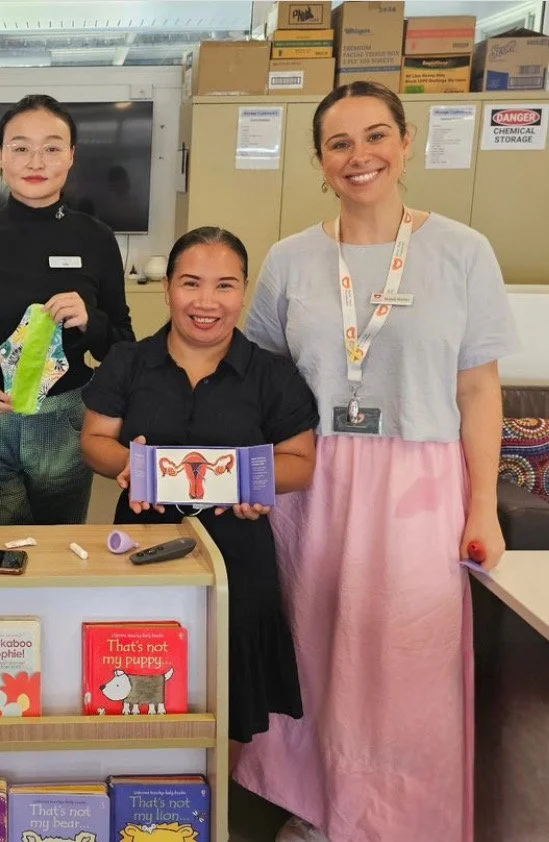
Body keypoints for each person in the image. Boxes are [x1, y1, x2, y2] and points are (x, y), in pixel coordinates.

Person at [232, 82, 519, 842]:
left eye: (374, 136)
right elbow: (256, 379)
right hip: (314, 480)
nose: (359, 156)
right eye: (338, 143)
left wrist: (482, 504)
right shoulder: (291, 259)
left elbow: (478, 387)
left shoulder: (461, 251)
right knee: (318, 649)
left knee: (407, 659)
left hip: (420, 484)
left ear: (405, 142)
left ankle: (404, 820)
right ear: (319, 160)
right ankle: (320, 809)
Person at [80, 226, 318, 749]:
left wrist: (246, 479)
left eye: (225, 286)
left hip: (239, 556)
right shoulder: (129, 361)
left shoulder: (270, 375)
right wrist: (133, 465)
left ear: (245, 291)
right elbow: (95, 440)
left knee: (229, 696)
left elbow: (301, 463)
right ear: (167, 288)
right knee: (140, 669)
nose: (206, 302)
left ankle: (217, 812)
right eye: (191, 283)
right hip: (143, 546)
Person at [0, 93, 134, 526]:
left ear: (71, 157)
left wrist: (90, 321)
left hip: (64, 425)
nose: (35, 161)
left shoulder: (96, 239)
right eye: (21, 147)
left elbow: (123, 344)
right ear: (1, 157)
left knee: (54, 559)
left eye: (52, 147)